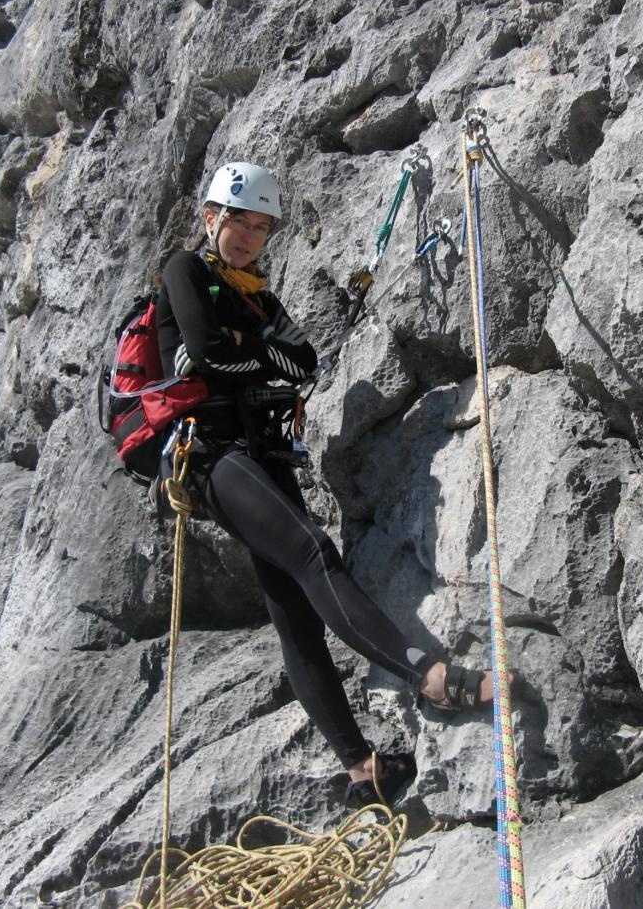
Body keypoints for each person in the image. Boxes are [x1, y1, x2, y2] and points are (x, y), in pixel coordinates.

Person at [156, 161, 498, 807]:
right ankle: (427, 673)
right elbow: (205, 354)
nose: (250, 237)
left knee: (295, 616)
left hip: (263, 453)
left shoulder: (258, 295)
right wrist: (252, 352)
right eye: (240, 223)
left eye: (261, 227)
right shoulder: (185, 271)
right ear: (211, 218)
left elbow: (303, 361)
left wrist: (244, 345)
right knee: (314, 550)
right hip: (211, 455)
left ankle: (361, 768)